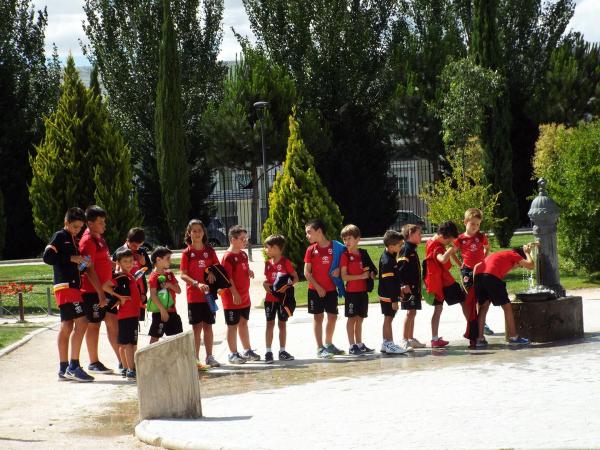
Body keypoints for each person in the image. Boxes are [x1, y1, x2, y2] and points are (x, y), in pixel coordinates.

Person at [43, 207, 95, 382]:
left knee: (67, 325)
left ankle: (63, 368)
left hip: (72, 287)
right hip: (66, 288)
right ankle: (73, 365)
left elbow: (73, 264)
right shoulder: (60, 236)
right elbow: (47, 257)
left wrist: (82, 264)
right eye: (74, 226)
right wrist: (71, 259)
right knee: (82, 321)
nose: (77, 230)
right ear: (66, 223)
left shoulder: (73, 239)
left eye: (80, 227)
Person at [79, 205, 117, 374]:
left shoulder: (100, 238)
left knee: (111, 323)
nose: (104, 225)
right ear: (90, 223)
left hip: (105, 289)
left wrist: (117, 265)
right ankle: (93, 362)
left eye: (104, 221)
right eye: (100, 222)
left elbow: (103, 261)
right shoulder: (87, 241)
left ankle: (123, 361)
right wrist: (100, 293)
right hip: (92, 291)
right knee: (94, 325)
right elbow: (87, 268)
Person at [473, 245, 535, 347]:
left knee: (483, 308)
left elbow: (476, 266)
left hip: (479, 277)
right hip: (491, 276)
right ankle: (514, 337)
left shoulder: (500, 255)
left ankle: (479, 339)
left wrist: (475, 284)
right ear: (521, 257)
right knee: (507, 306)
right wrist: (527, 252)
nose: (519, 267)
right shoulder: (513, 254)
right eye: (520, 265)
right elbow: (531, 265)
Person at [179, 219, 221, 368]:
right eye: (194, 231)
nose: (197, 233)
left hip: (209, 296)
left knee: (208, 326)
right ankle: (196, 359)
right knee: (196, 328)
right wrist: (196, 283)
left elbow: (218, 269)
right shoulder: (187, 253)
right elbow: (183, 275)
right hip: (194, 296)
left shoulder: (209, 251)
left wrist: (212, 272)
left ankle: (210, 357)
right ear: (189, 233)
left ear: (204, 233)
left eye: (199, 230)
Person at [304, 219, 344, 358]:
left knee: (332, 317)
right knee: (318, 317)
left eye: (309, 232)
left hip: (331, 289)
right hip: (315, 290)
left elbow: (344, 262)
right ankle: (320, 348)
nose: (307, 236)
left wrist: (339, 270)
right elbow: (306, 273)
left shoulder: (336, 247)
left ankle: (329, 344)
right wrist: (318, 287)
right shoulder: (311, 250)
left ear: (319, 231)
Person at [220, 225, 260, 364]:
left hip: (244, 296)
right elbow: (227, 278)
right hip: (232, 297)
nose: (245, 241)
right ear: (233, 239)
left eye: (246, 238)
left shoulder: (242, 254)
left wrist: (249, 272)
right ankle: (233, 354)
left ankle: (247, 350)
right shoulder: (228, 257)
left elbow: (244, 268)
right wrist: (235, 293)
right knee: (232, 325)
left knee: (243, 323)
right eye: (242, 239)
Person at [423, 221, 465, 348]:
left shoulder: (431, 241)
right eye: (449, 240)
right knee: (464, 300)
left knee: (438, 309)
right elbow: (442, 259)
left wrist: (458, 263)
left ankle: (434, 339)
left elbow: (444, 255)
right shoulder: (437, 246)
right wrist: (452, 249)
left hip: (435, 282)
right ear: (444, 236)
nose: (449, 242)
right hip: (443, 281)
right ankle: (473, 331)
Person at [453, 208, 494, 337]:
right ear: (465, 222)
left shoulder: (481, 237)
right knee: (470, 297)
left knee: (482, 297)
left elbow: (487, 248)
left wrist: (484, 258)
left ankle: (483, 323)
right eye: (472, 224)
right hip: (468, 271)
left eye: (477, 224)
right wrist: (461, 265)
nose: (475, 227)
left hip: (481, 270)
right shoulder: (460, 239)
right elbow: (452, 253)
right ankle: (472, 322)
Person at [102, 249, 141, 381]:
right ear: (118, 262)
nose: (129, 264)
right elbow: (105, 286)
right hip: (127, 315)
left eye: (130, 261)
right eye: (125, 261)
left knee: (124, 344)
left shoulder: (129, 275)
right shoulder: (120, 276)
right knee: (130, 344)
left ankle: (125, 368)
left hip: (131, 314)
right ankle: (131, 370)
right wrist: (119, 296)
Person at [339, 224, 376, 355]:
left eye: (349, 238)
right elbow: (344, 276)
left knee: (360, 318)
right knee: (352, 318)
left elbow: (373, 270)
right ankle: (352, 345)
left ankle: (359, 344)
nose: (346, 242)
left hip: (363, 291)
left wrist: (371, 274)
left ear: (357, 239)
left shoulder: (363, 254)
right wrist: (361, 276)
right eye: (344, 239)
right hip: (351, 293)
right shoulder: (345, 256)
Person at [262, 234, 299, 363]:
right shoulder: (267, 263)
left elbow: (296, 278)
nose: (266, 250)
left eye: (268, 248)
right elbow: (267, 280)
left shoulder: (285, 262)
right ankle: (268, 352)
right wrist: (265, 284)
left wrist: (287, 286)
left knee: (282, 324)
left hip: (282, 299)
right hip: (270, 299)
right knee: (269, 324)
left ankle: (282, 351)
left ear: (277, 248)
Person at [112, 227, 152, 324]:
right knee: (125, 321)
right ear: (127, 240)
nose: (136, 247)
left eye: (139, 245)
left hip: (139, 292)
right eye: (134, 245)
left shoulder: (142, 252)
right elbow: (113, 273)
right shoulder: (120, 251)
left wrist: (144, 263)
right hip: (124, 293)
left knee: (136, 320)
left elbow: (149, 270)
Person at [377, 230, 407, 355]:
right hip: (388, 296)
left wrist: (399, 288)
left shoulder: (390, 255)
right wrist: (394, 300)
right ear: (391, 246)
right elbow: (389, 283)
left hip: (390, 294)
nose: (401, 247)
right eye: (400, 245)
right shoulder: (387, 261)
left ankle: (386, 343)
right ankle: (389, 343)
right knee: (388, 318)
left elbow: (394, 278)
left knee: (389, 318)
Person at [398, 224, 425, 351]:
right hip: (408, 287)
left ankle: (410, 338)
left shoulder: (412, 249)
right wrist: (403, 284)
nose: (421, 236)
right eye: (419, 234)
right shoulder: (406, 249)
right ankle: (404, 340)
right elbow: (400, 269)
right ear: (410, 234)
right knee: (410, 312)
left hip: (415, 287)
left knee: (413, 311)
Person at [148, 246, 183, 343]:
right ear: (158, 260)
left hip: (172, 312)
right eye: (168, 258)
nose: (170, 261)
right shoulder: (154, 277)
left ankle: (176, 358)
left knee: (178, 340)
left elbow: (179, 291)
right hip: (160, 313)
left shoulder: (170, 274)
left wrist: (170, 285)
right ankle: (151, 358)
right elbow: (153, 295)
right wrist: (163, 311)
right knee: (154, 340)